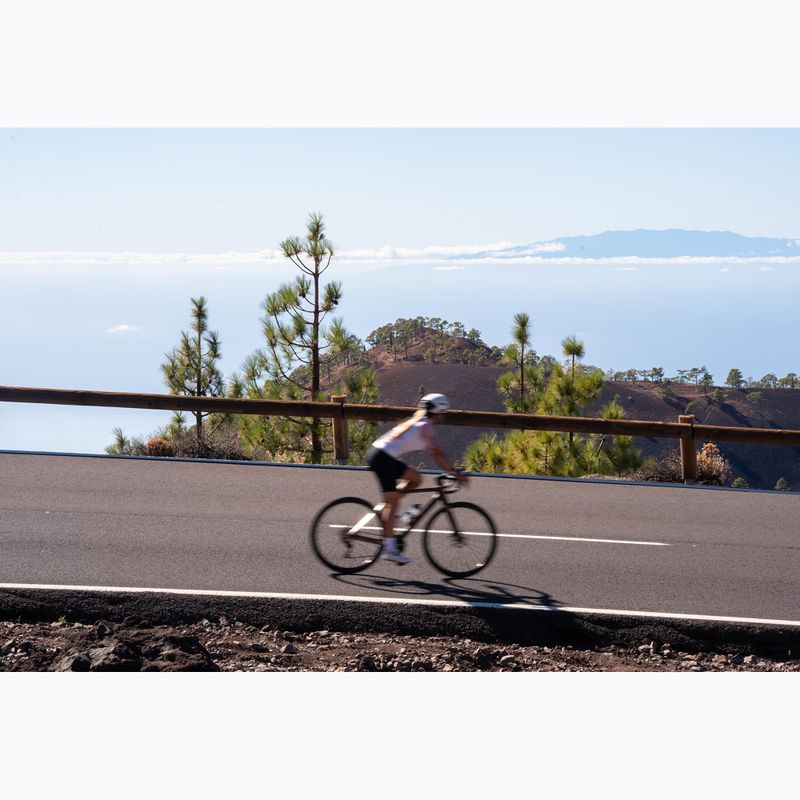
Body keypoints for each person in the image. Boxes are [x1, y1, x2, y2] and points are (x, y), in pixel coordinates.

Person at [366, 393, 468, 564]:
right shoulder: (425, 425)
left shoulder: (418, 421)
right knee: (393, 503)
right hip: (382, 458)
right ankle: (389, 549)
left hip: (382, 455)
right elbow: (437, 453)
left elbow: (436, 453)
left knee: (416, 478)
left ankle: (388, 513)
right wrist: (455, 473)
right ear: (439, 412)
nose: (444, 416)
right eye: (444, 412)